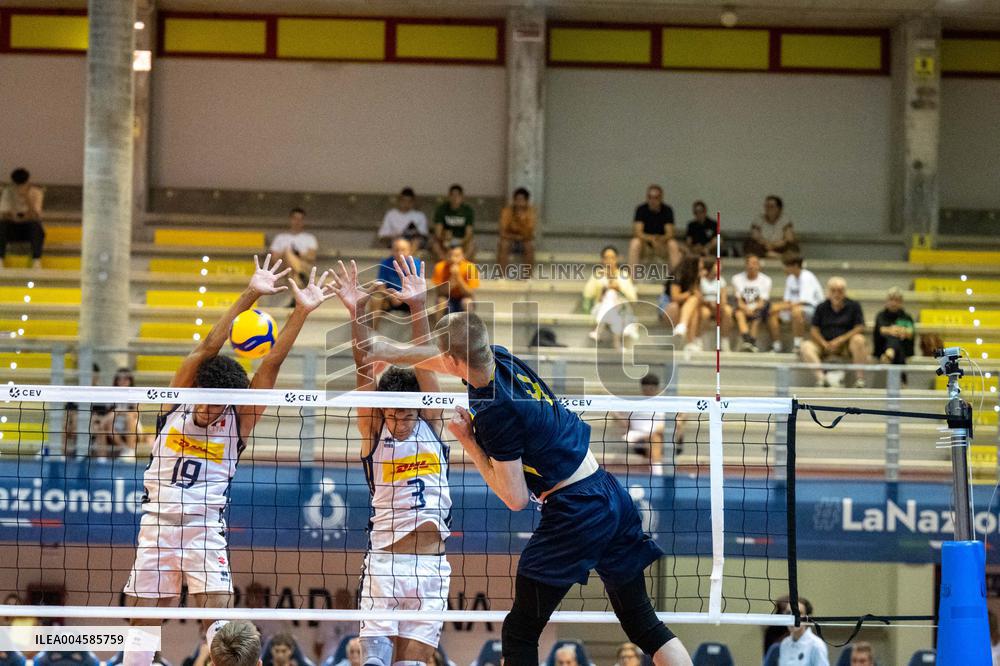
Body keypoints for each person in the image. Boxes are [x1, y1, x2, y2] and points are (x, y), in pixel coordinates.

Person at [364, 279, 693, 666]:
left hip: (575, 508)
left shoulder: (495, 413)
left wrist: (468, 441)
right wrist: (391, 351)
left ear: (454, 362)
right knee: (643, 624)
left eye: (444, 358)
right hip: (608, 491)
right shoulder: (500, 357)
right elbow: (451, 354)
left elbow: (516, 499)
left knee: (520, 630)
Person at [122, 256, 336, 666]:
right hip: (157, 525)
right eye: (205, 399)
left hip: (204, 530)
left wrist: (302, 312)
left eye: (218, 404)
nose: (209, 409)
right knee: (142, 629)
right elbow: (207, 347)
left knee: (221, 631)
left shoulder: (237, 421)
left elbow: (270, 364)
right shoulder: (176, 402)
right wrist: (251, 292)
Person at [330, 257, 452, 666]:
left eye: (406, 413)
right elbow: (365, 369)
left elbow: (425, 359)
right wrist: (357, 311)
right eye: (393, 413)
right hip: (384, 564)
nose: (399, 421)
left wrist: (419, 306)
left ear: (419, 410)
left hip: (431, 571)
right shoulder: (375, 432)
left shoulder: (430, 425)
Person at [800, 277, 868, 388]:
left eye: (840, 291)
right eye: (833, 290)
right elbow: (814, 329)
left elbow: (860, 327)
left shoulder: (854, 306)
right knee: (805, 346)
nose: (836, 294)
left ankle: (860, 379)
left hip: (846, 344)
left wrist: (841, 340)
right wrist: (823, 343)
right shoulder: (821, 307)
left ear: (844, 292)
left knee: (859, 339)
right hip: (824, 345)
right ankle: (822, 379)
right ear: (828, 292)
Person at [614, 373, 671, 476]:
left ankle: (657, 474)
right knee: (654, 440)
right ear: (642, 388)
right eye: (647, 388)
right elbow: (613, 410)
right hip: (638, 440)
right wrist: (623, 423)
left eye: (652, 388)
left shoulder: (664, 403)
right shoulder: (634, 403)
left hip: (660, 438)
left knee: (655, 438)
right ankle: (658, 475)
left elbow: (681, 416)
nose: (649, 391)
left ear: (657, 388)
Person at [583, 246, 639, 349]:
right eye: (606, 258)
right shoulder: (597, 275)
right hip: (600, 308)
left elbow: (633, 298)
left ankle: (598, 330)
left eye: (612, 257)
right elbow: (587, 294)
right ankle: (617, 343)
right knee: (610, 295)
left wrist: (619, 289)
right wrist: (602, 289)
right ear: (602, 260)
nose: (609, 260)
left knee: (613, 295)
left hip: (621, 308)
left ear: (616, 259)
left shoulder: (624, 275)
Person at [768, 254, 823, 353]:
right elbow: (787, 301)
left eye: (786, 266)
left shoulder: (807, 277)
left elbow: (804, 302)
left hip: (814, 310)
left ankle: (798, 345)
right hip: (795, 307)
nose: (784, 268)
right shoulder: (790, 279)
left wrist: (781, 307)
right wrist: (778, 307)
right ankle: (777, 346)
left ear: (795, 266)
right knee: (773, 312)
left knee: (796, 311)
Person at [370, 237, 422, 330]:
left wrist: (402, 297)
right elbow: (381, 287)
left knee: (419, 300)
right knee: (376, 298)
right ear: (392, 251)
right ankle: (374, 331)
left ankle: (418, 334)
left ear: (409, 251)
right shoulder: (385, 263)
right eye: (396, 250)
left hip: (409, 299)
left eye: (403, 250)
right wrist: (392, 296)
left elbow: (417, 288)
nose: (399, 253)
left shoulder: (416, 264)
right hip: (391, 299)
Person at [0, 168, 45, 269]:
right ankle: (0, 259)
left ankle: (36, 259)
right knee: (1, 226)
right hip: (12, 226)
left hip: (28, 227)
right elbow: (4, 214)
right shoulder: (8, 192)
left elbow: (35, 215)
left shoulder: (36, 192)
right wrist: (15, 218)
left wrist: (26, 197)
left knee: (36, 226)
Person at [629, 185, 681, 271]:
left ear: (661, 198)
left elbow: (670, 233)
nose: (652, 200)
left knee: (673, 244)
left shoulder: (667, 210)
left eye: (656, 198)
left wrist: (659, 240)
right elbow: (637, 232)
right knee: (635, 243)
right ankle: (632, 279)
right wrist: (651, 239)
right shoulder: (641, 209)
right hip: (645, 245)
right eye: (650, 197)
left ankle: (676, 281)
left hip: (662, 245)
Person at [269, 208, 319, 296]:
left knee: (291, 267)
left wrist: (296, 254)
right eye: (295, 218)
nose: (297, 222)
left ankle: (295, 295)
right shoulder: (280, 237)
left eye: (300, 219)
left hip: (304, 267)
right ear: (290, 220)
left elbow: (311, 257)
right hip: (283, 268)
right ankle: (300, 276)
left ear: (303, 221)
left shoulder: (309, 238)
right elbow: (273, 260)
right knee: (287, 253)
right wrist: (286, 254)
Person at [731, 255, 773, 353]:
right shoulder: (736, 278)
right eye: (749, 263)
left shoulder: (766, 280)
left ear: (759, 266)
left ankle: (751, 342)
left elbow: (762, 301)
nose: (751, 266)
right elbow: (738, 300)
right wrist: (746, 309)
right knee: (738, 313)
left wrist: (752, 309)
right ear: (745, 265)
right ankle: (748, 341)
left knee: (758, 314)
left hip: (758, 308)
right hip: (742, 308)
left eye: (754, 263)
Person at [662, 256, 700, 352]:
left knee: (694, 308)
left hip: (684, 308)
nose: (702, 267)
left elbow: (698, 298)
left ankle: (687, 336)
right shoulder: (677, 275)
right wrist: (690, 293)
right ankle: (681, 338)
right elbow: (675, 298)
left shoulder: (696, 278)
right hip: (668, 307)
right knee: (677, 306)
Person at [695, 256, 733, 352]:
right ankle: (698, 340)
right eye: (717, 265)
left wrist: (718, 304)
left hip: (717, 306)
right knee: (705, 313)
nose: (720, 267)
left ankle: (724, 342)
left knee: (728, 311)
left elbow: (723, 298)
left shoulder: (721, 280)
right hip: (704, 305)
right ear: (710, 266)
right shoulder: (700, 279)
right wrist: (707, 303)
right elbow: (698, 296)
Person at [497, 187, 537, 278]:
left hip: (524, 241)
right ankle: (501, 277)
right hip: (510, 240)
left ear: (527, 201)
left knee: (529, 246)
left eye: (522, 200)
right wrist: (516, 236)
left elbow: (530, 233)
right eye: (517, 200)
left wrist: (521, 219)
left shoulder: (531, 212)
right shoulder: (506, 211)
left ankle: (527, 277)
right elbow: (502, 232)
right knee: (503, 245)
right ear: (513, 200)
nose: (519, 202)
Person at [432, 242, 479, 315]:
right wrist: (451, 281)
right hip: (447, 298)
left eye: (457, 256)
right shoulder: (440, 267)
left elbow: (470, 293)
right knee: (441, 301)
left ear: (463, 256)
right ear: (446, 255)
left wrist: (458, 278)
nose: (453, 259)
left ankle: (469, 325)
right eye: (450, 255)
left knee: (467, 302)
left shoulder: (471, 267)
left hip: (464, 298)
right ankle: (438, 326)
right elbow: (439, 292)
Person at [777, 598, 827, 666]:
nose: (792, 618)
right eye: (788, 613)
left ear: (807, 618)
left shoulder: (816, 645)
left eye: (798, 613)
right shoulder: (784, 644)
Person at [873, 287, 915, 367]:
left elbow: (910, 333)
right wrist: (900, 330)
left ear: (901, 302)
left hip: (904, 348)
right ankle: (891, 353)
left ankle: (890, 353)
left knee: (895, 340)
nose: (893, 303)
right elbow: (882, 330)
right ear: (887, 301)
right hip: (883, 348)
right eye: (891, 300)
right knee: (893, 339)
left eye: (897, 300)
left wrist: (892, 330)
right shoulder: (881, 315)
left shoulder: (907, 317)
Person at [432, 184, 475, 261]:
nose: (455, 198)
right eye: (453, 195)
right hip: (446, 240)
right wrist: (444, 237)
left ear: (462, 197)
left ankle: (462, 262)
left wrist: (461, 241)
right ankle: (445, 263)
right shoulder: (442, 209)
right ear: (449, 196)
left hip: (462, 240)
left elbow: (469, 233)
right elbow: (438, 232)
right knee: (434, 244)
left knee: (472, 244)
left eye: (458, 195)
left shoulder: (468, 210)